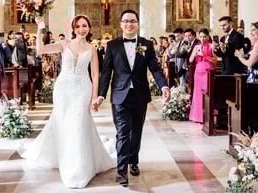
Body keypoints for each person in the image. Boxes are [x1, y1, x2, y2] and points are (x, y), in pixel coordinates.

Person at [21, 15, 115, 189]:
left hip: (82, 89)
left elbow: (95, 75)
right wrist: (40, 28)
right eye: (78, 26)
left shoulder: (92, 48)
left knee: (79, 123)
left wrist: (95, 97)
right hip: (63, 88)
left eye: (84, 25)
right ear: (73, 28)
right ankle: (63, 156)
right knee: (63, 122)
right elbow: (40, 50)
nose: (81, 29)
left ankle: (79, 166)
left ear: (88, 27)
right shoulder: (64, 45)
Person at [97, 10, 170, 187]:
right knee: (122, 132)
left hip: (139, 94)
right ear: (121, 24)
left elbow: (155, 68)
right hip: (119, 95)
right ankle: (121, 170)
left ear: (138, 24)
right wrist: (100, 94)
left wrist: (164, 86)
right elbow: (106, 72)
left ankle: (133, 161)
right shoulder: (112, 45)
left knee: (136, 131)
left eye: (133, 21)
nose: (129, 24)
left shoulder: (147, 44)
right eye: (125, 21)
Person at [189, 28, 216, 123]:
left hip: (207, 70)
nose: (202, 38)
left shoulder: (211, 45)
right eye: (200, 36)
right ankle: (197, 116)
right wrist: (196, 53)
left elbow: (215, 61)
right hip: (198, 71)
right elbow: (190, 60)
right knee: (198, 93)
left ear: (208, 36)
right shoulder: (196, 46)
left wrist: (206, 56)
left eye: (204, 36)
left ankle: (206, 117)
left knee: (206, 93)